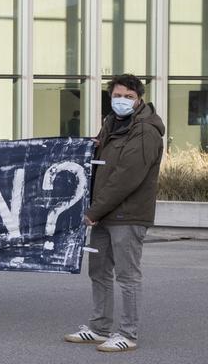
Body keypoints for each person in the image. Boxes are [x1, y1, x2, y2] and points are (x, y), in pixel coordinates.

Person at [63, 74, 164, 352]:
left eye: (129, 97)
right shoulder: (112, 124)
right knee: (99, 271)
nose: (122, 100)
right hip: (106, 213)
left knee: (127, 275)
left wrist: (94, 210)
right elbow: (105, 163)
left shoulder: (145, 131)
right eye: (118, 95)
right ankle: (99, 328)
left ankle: (128, 334)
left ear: (139, 99)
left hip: (128, 214)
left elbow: (126, 177)